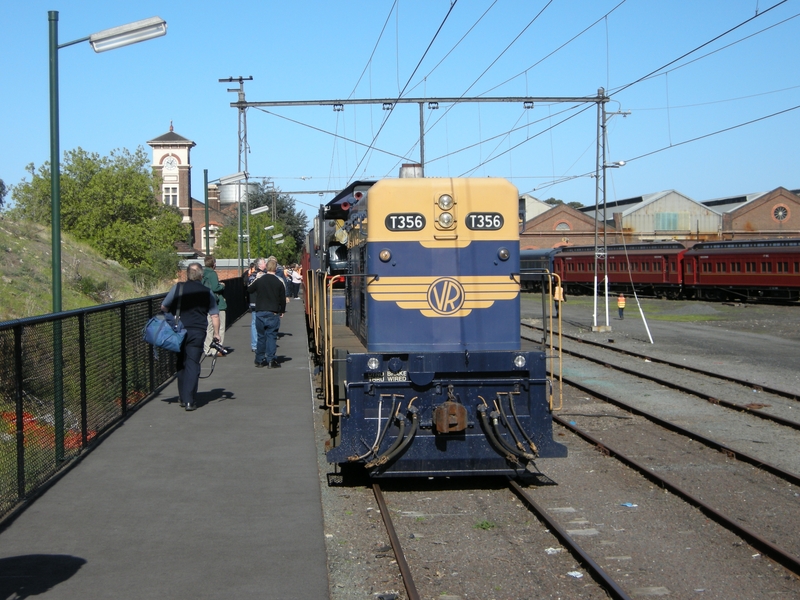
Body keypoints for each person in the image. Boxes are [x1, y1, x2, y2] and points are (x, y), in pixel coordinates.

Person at [161, 263, 220, 411]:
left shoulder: (178, 288)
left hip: (179, 330)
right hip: (198, 331)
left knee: (181, 361)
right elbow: (214, 315)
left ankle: (182, 396)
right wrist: (216, 334)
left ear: (187, 275)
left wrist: (171, 314)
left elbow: (164, 307)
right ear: (201, 275)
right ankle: (189, 399)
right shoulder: (207, 292)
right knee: (193, 363)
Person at [248, 257, 287, 368]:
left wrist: (256, 278)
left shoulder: (260, 280)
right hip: (273, 312)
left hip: (260, 311)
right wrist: (282, 311)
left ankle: (259, 360)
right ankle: (271, 360)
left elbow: (249, 290)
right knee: (271, 336)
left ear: (266, 268)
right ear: (275, 269)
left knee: (261, 337)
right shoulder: (279, 281)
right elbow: (282, 298)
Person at [202, 256, 226, 357]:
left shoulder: (203, 273)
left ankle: (207, 348)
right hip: (217, 303)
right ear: (214, 264)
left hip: (206, 302)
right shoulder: (212, 274)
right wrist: (222, 285)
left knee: (209, 327)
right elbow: (215, 287)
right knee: (220, 326)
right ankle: (217, 348)